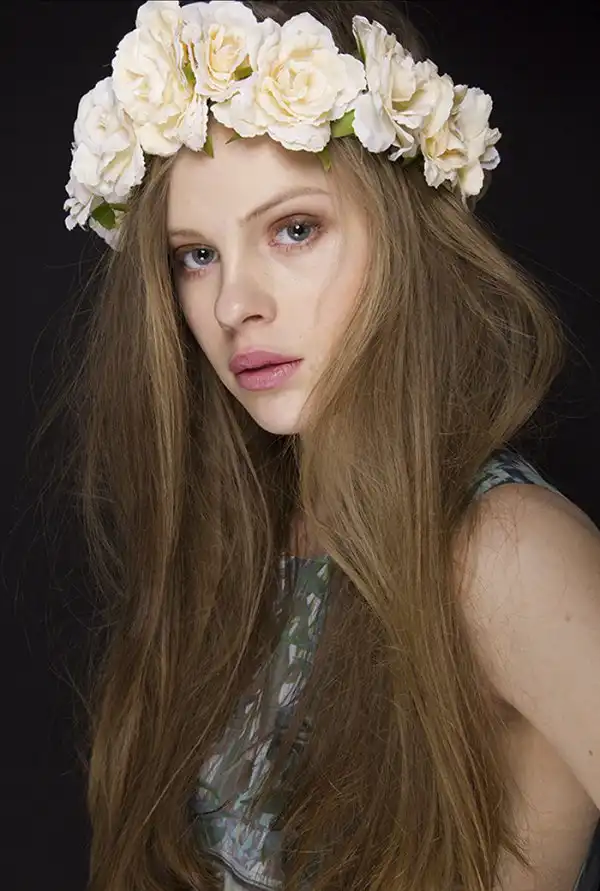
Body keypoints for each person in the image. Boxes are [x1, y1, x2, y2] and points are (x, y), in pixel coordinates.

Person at [52, 1, 600, 889]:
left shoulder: (504, 551)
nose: (235, 304)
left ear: (404, 239)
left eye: (294, 229)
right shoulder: (249, 536)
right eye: (196, 255)